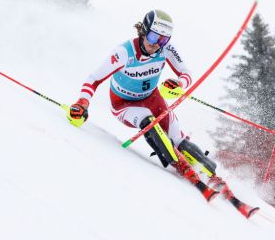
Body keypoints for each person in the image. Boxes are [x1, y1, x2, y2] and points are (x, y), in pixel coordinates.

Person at [67, 10, 220, 199]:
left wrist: (179, 84)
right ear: (144, 31)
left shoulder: (166, 49)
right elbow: (93, 79)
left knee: (178, 140)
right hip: (124, 105)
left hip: (153, 99)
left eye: (163, 40)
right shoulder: (124, 53)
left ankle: (213, 175)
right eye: (154, 36)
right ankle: (181, 167)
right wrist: (83, 103)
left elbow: (186, 73)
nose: (156, 44)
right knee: (149, 122)